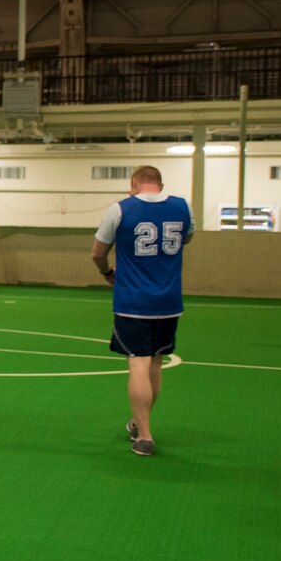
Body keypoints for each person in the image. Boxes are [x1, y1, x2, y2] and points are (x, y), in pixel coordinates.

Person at [91, 165, 193, 457]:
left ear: (133, 183)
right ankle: (139, 423)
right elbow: (187, 237)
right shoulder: (183, 207)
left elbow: (97, 253)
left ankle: (145, 435)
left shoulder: (119, 209)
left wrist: (107, 273)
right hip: (169, 303)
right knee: (156, 364)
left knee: (138, 364)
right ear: (160, 184)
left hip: (132, 302)